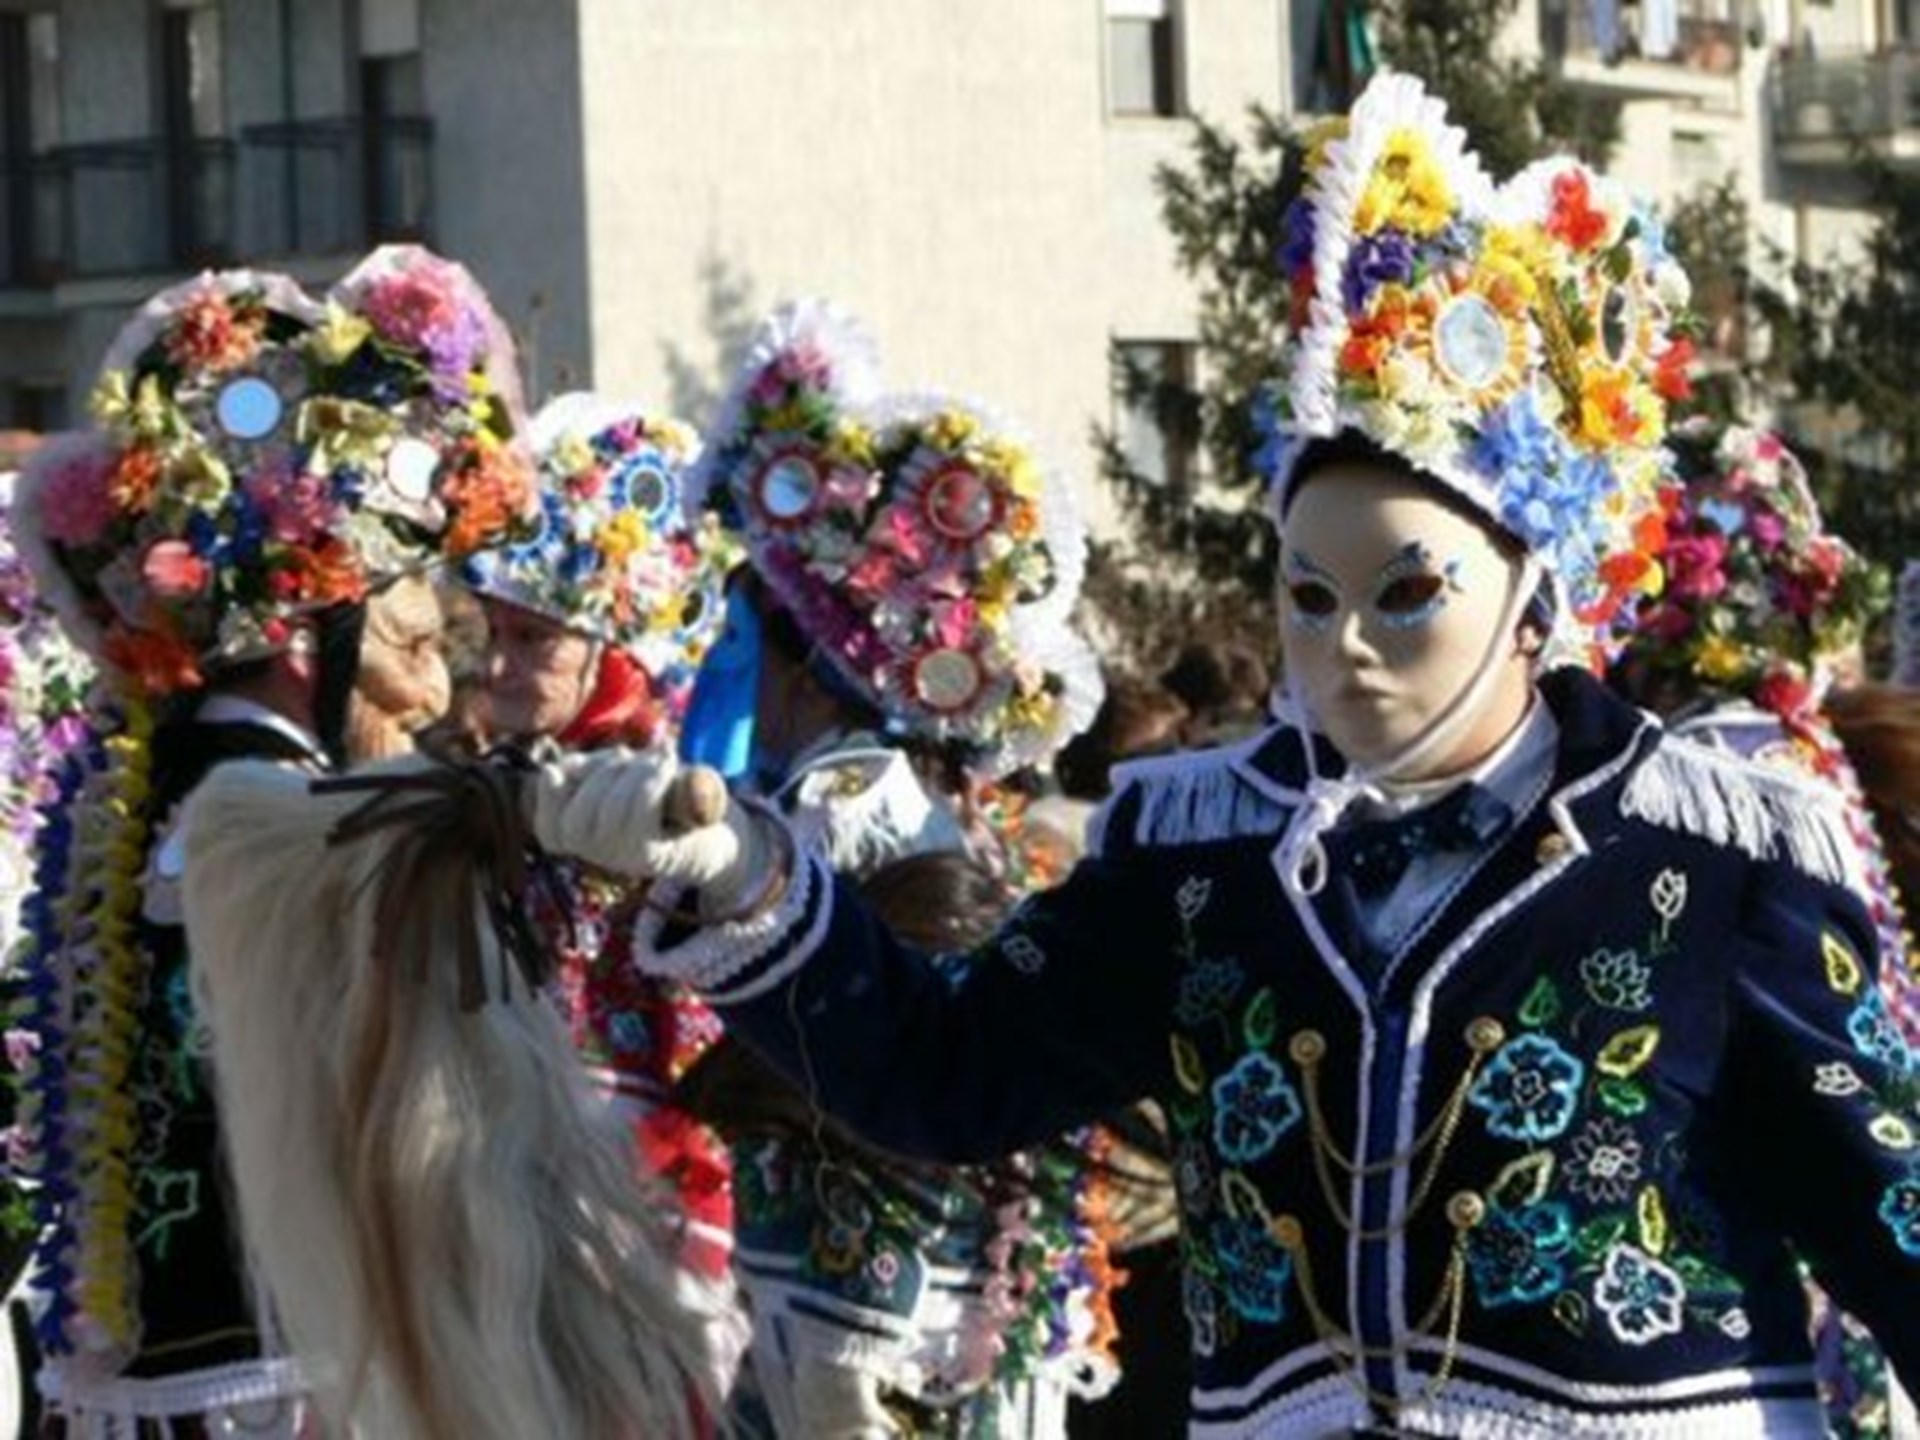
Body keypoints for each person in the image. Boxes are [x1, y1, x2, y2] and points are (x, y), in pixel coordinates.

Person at [526, 76, 1920, 1435]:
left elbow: (1895, 1228)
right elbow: (945, 1073)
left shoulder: (1711, 868)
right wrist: (748, 875)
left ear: (1534, 601)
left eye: (1405, 594)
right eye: (1307, 597)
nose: (1345, 646)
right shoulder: (1205, 868)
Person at [6, 247, 538, 1435]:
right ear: (309, 632)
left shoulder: (158, 784)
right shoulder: (273, 806)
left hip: (162, 1370)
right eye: (395, 605)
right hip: (270, 1376)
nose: (422, 650)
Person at [659, 302, 1120, 1438]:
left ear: (808, 668)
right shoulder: (963, 811)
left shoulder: (837, 800)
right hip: (952, 1300)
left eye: (746, 645)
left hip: (859, 1313)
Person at [464, 392, 739, 1279]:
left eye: (532, 640)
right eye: (493, 633)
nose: (498, 665)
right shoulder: (476, 783)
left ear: (614, 656)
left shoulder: (668, 802)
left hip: (629, 1194)